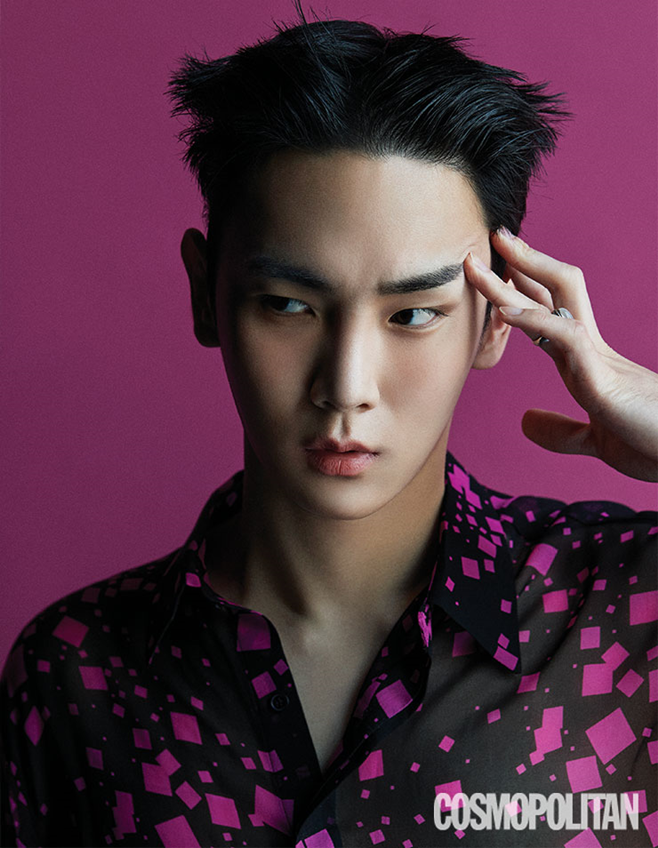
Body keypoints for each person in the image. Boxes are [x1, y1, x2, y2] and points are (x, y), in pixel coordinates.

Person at [2, 7, 657, 847]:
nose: (346, 385)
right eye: (288, 306)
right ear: (206, 293)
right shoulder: (79, 674)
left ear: (498, 318)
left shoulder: (628, 610)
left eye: (412, 314)